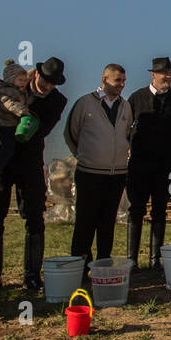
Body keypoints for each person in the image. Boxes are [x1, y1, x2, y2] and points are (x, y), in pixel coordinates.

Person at [0, 58, 68, 294]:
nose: (47, 87)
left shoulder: (57, 101)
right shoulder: (11, 85)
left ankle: (32, 275)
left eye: (53, 84)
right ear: (36, 75)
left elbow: (41, 128)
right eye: (45, 81)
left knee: (35, 215)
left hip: (29, 157)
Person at [64, 64, 131, 263]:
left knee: (107, 221)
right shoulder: (85, 103)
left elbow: (126, 133)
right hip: (90, 173)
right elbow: (71, 133)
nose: (121, 85)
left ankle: (103, 261)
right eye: (117, 80)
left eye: (124, 81)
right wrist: (85, 156)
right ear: (104, 79)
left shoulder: (125, 106)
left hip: (116, 174)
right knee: (85, 220)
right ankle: (81, 262)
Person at [125, 57, 171, 270]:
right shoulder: (136, 98)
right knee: (136, 209)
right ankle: (131, 259)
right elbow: (125, 125)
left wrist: (168, 141)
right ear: (153, 74)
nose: (168, 77)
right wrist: (135, 143)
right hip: (139, 164)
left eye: (170, 73)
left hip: (165, 163)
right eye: (164, 73)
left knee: (161, 208)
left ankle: (154, 259)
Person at [0, 60, 32, 188]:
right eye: (20, 80)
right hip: (4, 126)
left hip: (12, 126)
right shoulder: (6, 92)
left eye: (25, 80)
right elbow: (8, 104)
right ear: (11, 79)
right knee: (6, 149)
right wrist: (21, 111)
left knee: (9, 150)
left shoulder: (19, 91)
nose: (23, 83)